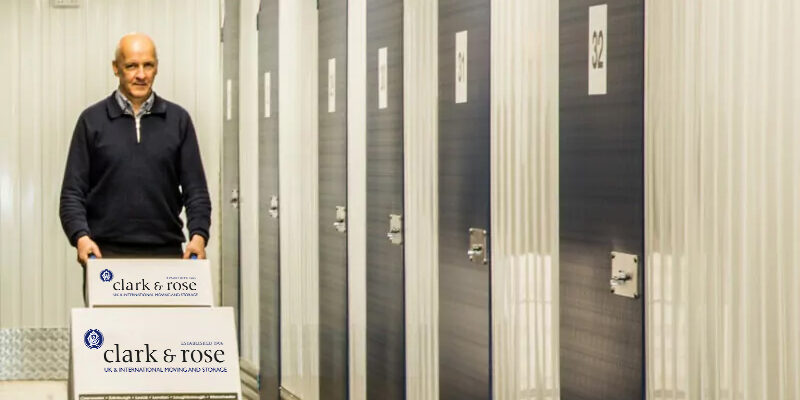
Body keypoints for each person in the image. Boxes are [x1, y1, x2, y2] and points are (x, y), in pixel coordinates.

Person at [59, 33, 211, 266]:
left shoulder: (178, 121)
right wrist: (81, 238)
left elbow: (196, 191)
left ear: (156, 68)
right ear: (116, 68)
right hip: (104, 256)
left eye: (147, 65)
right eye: (131, 66)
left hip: (168, 254)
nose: (141, 75)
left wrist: (199, 237)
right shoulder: (91, 121)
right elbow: (72, 194)